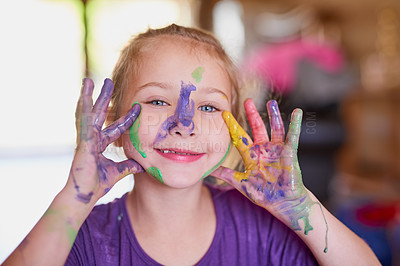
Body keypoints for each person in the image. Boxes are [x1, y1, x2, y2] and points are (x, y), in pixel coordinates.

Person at [3, 24, 379, 266]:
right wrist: (74, 197)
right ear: (113, 119)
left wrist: (303, 208)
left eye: (209, 106)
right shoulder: (84, 239)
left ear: (233, 126)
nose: (185, 123)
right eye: (156, 101)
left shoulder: (263, 227)